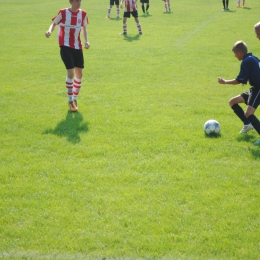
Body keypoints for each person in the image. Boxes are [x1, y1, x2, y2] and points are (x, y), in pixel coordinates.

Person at [45, 0, 90, 112]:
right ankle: (70, 100)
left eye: (80, 0)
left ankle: (75, 99)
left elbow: (84, 28)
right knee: (71, 73)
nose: (79, 2)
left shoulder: (83, 14)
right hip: (64, 45)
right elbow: (54, 23)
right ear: (71, 2)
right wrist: (49, 31)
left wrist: (87, 41)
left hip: (77, 46)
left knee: (79, 74)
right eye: (76, 1)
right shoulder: (63, 12)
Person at [218, 41, 260, 145]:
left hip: (258, 89)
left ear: (240, 53)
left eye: (235, 54)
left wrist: (225, 82)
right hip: (255, 88)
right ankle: (247, 124)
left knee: (248, 113)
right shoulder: (252, 58)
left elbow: (238, 80)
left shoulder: (246, 61)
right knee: (232, 102)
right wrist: (246, 79)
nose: (235, 56)